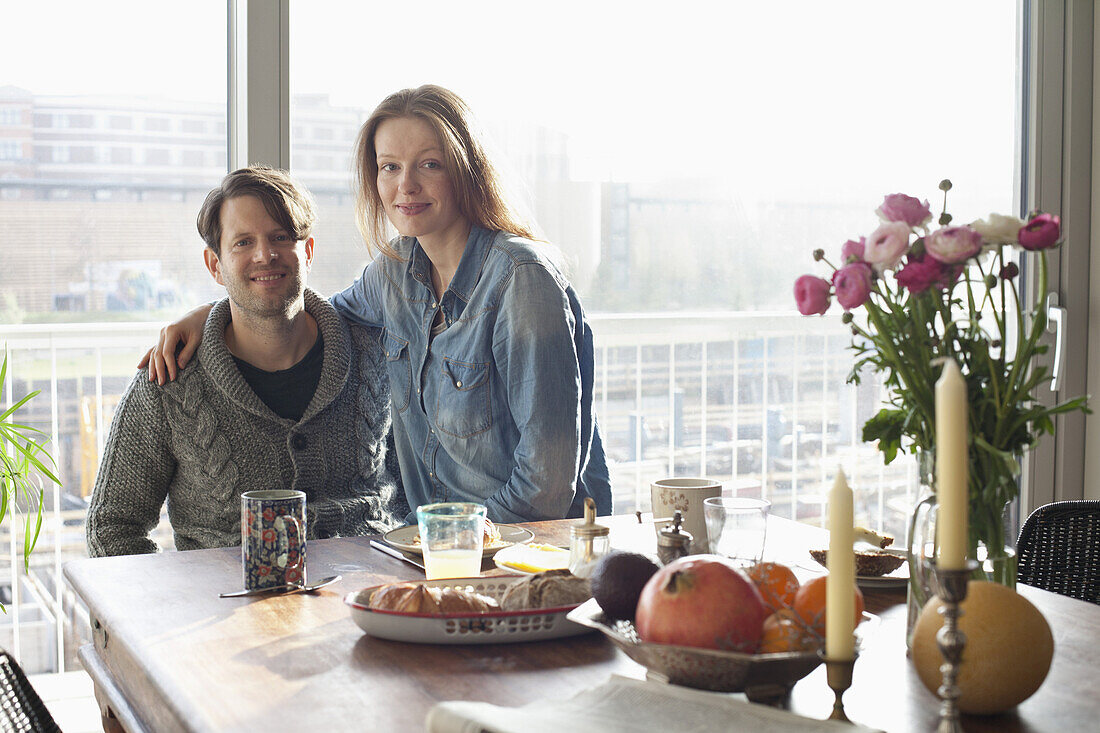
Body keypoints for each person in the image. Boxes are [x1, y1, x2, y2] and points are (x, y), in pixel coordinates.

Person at [146, 85, 611, 525]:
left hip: (525, 560)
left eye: (429, 165)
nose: (405, 185)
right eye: (389, 167)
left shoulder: (522, 280)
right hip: (437, 558)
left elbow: (546, 490)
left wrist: (447, 544)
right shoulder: (394, 272)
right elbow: (305, 311)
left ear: (466, 169)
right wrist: (214, 312)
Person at [87, 166, 405, 557]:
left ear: (307, 251)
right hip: (226, 607)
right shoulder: (170, 380)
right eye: (242, 242)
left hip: (369, 601)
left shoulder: (377, 357)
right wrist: (172, 605)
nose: (264, 254)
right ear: (214, 265)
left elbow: (422, 489)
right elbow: (112, 526)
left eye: (280, 237)